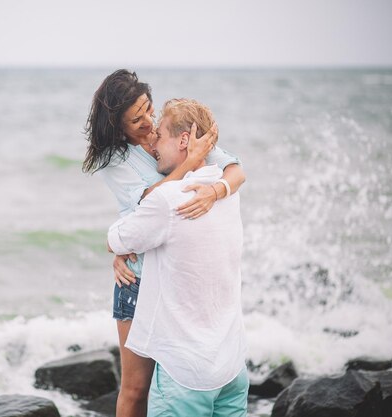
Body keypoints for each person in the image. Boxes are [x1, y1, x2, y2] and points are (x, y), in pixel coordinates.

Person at [83, 69, 246, 417]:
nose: (148, 123)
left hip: (174, 281)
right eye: (136, 119)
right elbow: (151, 208)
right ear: (117, 125)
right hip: (139, 278)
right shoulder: (116, 160)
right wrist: (188, 163)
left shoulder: (171, 133)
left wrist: (215, 191)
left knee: (174, 380)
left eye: (148, 110)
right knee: (136, 388)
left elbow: (237, 171)